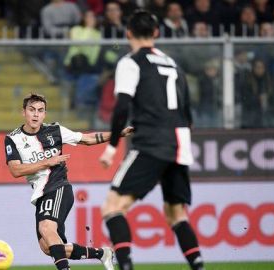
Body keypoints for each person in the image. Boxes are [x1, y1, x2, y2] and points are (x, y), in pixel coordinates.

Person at [98, 10, 204, 270]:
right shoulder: (173, 64)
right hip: (180, 143)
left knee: (113, 208)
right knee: (177, 215)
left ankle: (125, 266)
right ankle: (199, 266)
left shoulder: (130, 62)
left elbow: (121, 106)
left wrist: (112, 147)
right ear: (156, 33)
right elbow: (188, 115)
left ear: (128, 33)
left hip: (151, 142)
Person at [5, 93, 133, 270]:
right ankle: (102, 254)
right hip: (41, 194)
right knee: (47, 247)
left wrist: (117, 134)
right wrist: (46, 162)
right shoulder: (13, 138)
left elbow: (87, 139)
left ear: (45, 114)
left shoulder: (55, 131)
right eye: (32, 110)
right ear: (24, 112)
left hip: (58, 187)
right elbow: (15, 170)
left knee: (46, 228)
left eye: (40, 111)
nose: (36, 114)